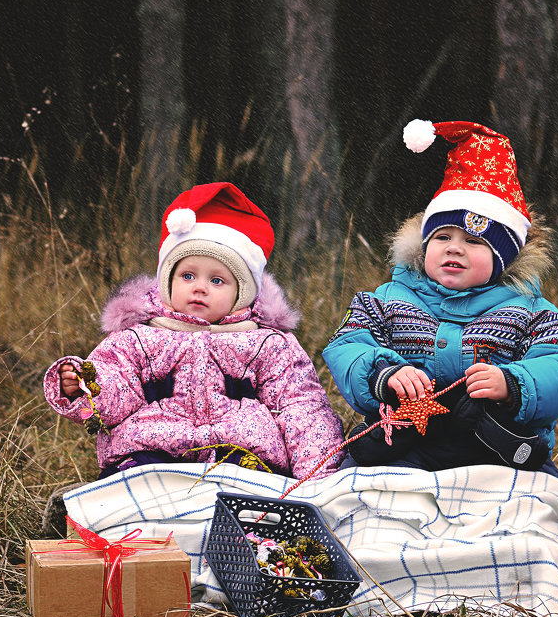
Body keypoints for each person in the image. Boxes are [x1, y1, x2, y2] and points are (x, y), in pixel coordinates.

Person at [322, 120, 558, 476]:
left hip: (498, 452)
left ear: (504, 258)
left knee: (541, 506)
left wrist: (513, 384)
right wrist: (384, 373)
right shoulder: (384, 302)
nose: (454, 248)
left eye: (474, 241)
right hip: (405, 448)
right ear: (423, 244)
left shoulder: (531, 313)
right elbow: (347, 345)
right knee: (357, 491)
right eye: (442, 237)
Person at [44, 181, 345, 482]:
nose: (200, 287)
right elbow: (116, 383)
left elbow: (301, 407)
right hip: (150, 448)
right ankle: (117, 515)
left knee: (256, 483)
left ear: (242, 292)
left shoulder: (266, 344)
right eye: (188, 275)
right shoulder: (138, 338)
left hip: (238, 452)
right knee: (130, 478)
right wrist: (87, 384)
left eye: (217, 281)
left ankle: (247, 522)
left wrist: (317, 480)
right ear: (168, 282)